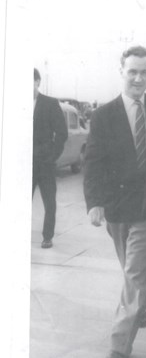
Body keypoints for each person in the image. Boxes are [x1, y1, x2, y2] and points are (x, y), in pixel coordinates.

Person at [83, 46, 146, 358]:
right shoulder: (103, 115)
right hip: (117, 209)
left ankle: (120, 346)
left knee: (134, 273)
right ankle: (141, 307)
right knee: (132, 272)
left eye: (144, 72)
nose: (138, 78)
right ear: (121, 70)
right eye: (132, 71)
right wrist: (94, 203)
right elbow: (92, 161)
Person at [33, 68, 68, 248]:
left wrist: (52, 156)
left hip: (45, 162)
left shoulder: (49, 103)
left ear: (37, 81)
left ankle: (48, 236)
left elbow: (62, 133)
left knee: (49, 202)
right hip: (23, 165)